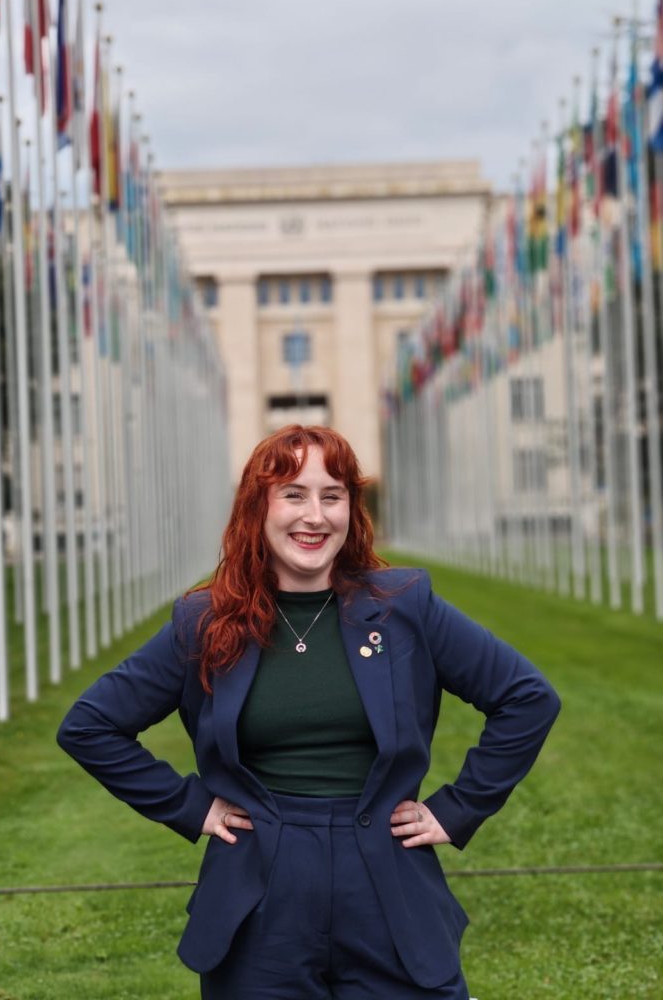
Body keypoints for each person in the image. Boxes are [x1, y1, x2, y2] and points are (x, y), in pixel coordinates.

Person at [57, 424, 560, 999]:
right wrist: (189, 806)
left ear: (352, 508)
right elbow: (90, 726)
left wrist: (460, 807)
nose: (314, 516)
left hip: (386, 879)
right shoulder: (205, 621)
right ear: (258, 507)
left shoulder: (403, 605)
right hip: (260, 891)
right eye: (293, 494)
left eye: (332, 495)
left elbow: (527, 697)